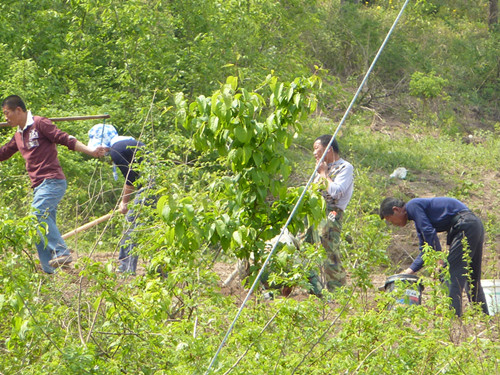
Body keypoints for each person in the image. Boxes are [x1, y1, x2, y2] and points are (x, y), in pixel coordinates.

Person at [0, 95, 108, 274]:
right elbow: (3, 153)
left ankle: (62, 251)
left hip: (52, 181)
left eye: (6, 113)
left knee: (36, 216)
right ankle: (49, 271)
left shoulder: (40, 124)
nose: (5, 118)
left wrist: (90, 150)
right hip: (38, 187)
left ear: (18, 110)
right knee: (39, 229)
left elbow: (65, 139)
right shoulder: (18, 135)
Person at [379, 196, 489, 316]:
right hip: (473, 225)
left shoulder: (413, 205)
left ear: (396, 210)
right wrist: (408, 272)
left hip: (464, 226)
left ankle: (453, 319)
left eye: (390, 220)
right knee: (472, 277)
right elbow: (426, 250)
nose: (393, 224)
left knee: (450, 275)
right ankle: (483, 316)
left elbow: (428, 231)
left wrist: (439, 259)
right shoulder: (417, 216)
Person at [87, 123, 153, 275]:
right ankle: (161, 271)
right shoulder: (127, 143)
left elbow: (130, 180)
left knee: (132, 224)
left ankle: (126, 269)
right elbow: (135, 178)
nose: (99, 152)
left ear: (102, 145)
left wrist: (124, 203)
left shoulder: (117, 150)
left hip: (151, 187)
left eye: (98, 148)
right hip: (158, 185)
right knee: (152, 227)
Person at [304, 135, 354, 295]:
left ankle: (338, 291)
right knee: (303, 246)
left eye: (317, 148)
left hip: (332, 212)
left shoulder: (345, 167)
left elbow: (336, 192)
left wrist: (324, 174)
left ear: (329, 149)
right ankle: (315, 289)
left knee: (328, 250)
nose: (314, 153)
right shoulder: (320, 168)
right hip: (314, 212)